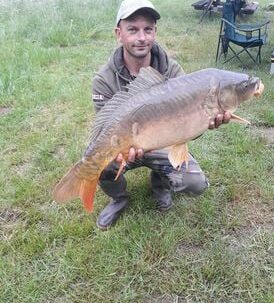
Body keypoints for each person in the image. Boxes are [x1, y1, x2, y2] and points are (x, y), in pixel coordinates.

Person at [92, 0, 231, 230]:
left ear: (155, 32)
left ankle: (161, 183)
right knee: (97, 160)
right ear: (119, 34)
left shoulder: (173, 72)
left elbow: (186, 128)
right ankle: (119, 198)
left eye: (148, 29)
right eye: (133, 29)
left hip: (164, 144)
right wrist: (126, 149)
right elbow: (104, 128)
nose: (141, 37)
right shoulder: (103, 80)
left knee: (195, 183)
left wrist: (206, 122)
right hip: (124, 144)